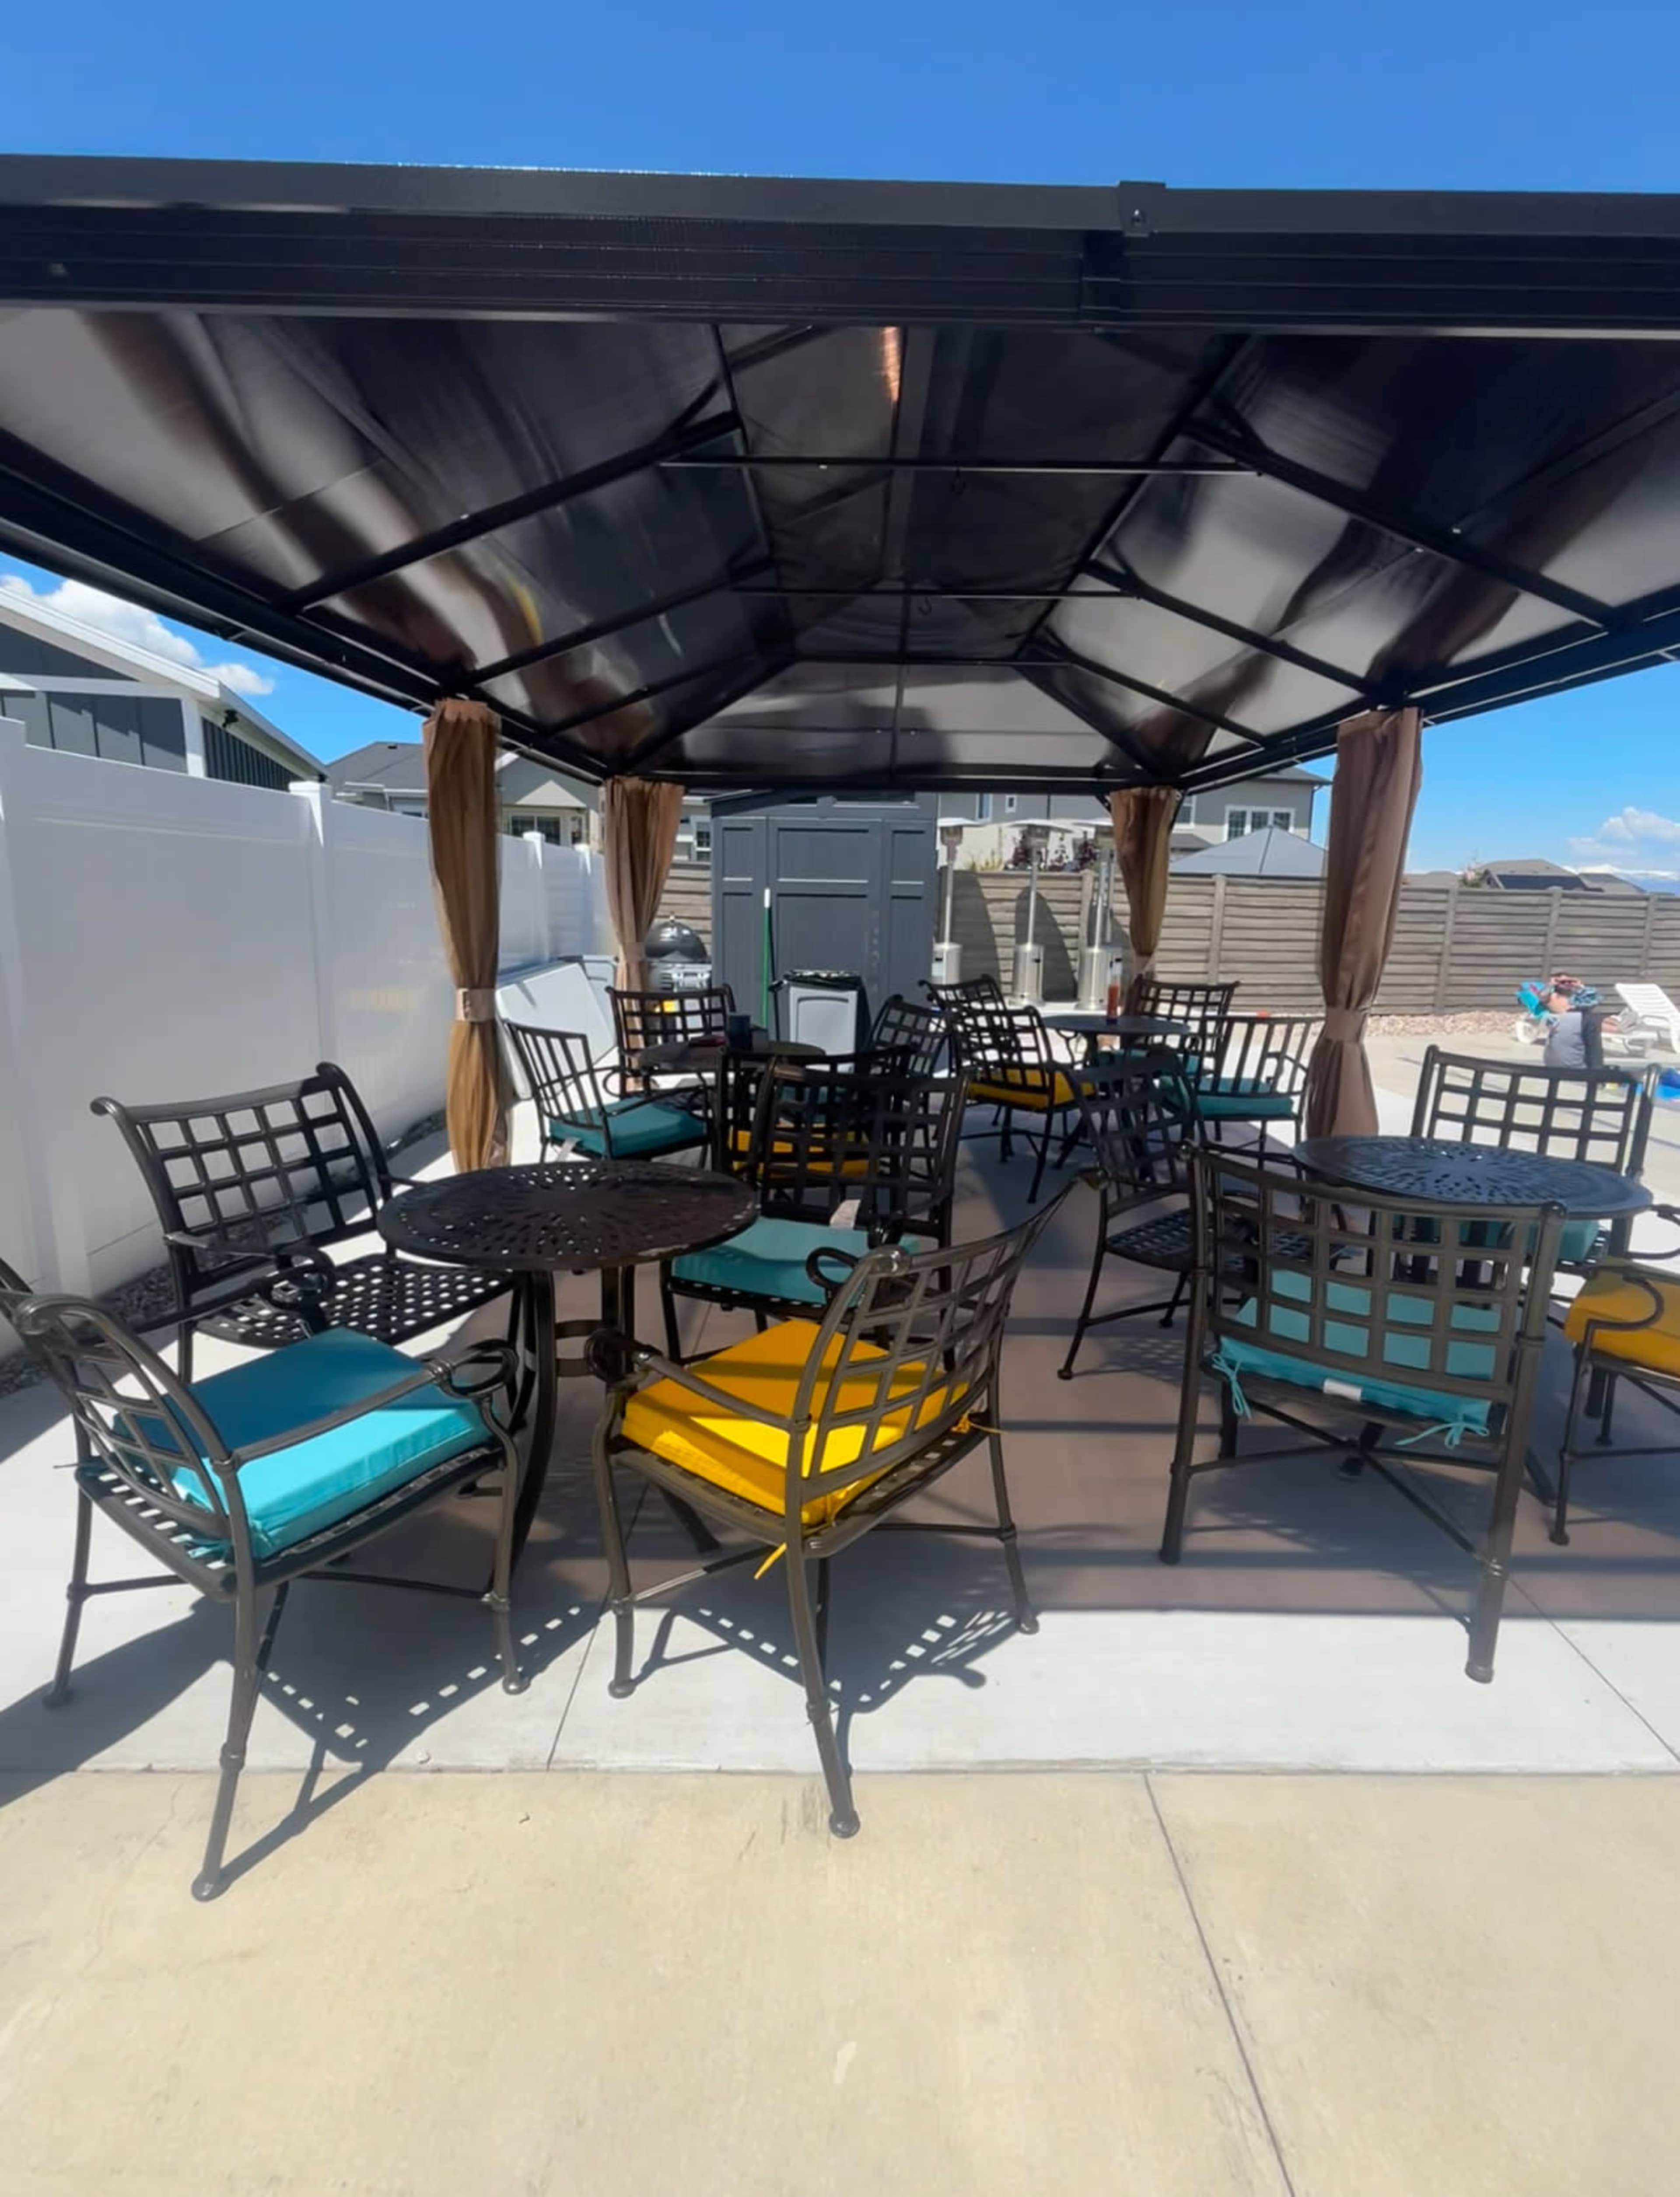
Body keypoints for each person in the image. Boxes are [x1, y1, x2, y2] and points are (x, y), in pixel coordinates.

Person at [1543, 982, 1607, 1072]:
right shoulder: (1589, 1020)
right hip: (1575, 1071)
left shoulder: (1562, 1017)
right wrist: (1599, 1075)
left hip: (1551, 1068)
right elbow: (1594, 1052)